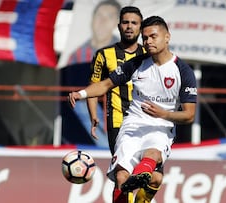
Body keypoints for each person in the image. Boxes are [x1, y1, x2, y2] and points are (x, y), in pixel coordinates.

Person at [68, 16, 197, 202]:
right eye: (144, 38)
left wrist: (164, 114)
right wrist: (81, 94)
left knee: (152, 156)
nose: (148, 42)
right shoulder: (137, 63)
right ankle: (138, 181)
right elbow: (105, 85)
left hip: (161, 127)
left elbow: (190, 115)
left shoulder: (183, 71)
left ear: (167, 37)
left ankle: (140, 178)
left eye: (153, 36)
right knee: (122, 177)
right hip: (132, 125)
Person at [87, 6, 164, 203]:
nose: (129, 27)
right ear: (119, 25)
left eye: (134, 23)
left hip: (148, 123)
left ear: (140, 27)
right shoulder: (104, 55)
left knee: (155, 177)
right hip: (118, 123)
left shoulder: (151, 56)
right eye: (125, 22)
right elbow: (95, 87)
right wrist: (93, 116)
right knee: (122, 175)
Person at [67, 0, 121, 65]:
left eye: (110, 17)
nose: (103, 22)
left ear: (117, 23)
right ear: (92, 19)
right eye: (99, 15)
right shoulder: (77, 55)